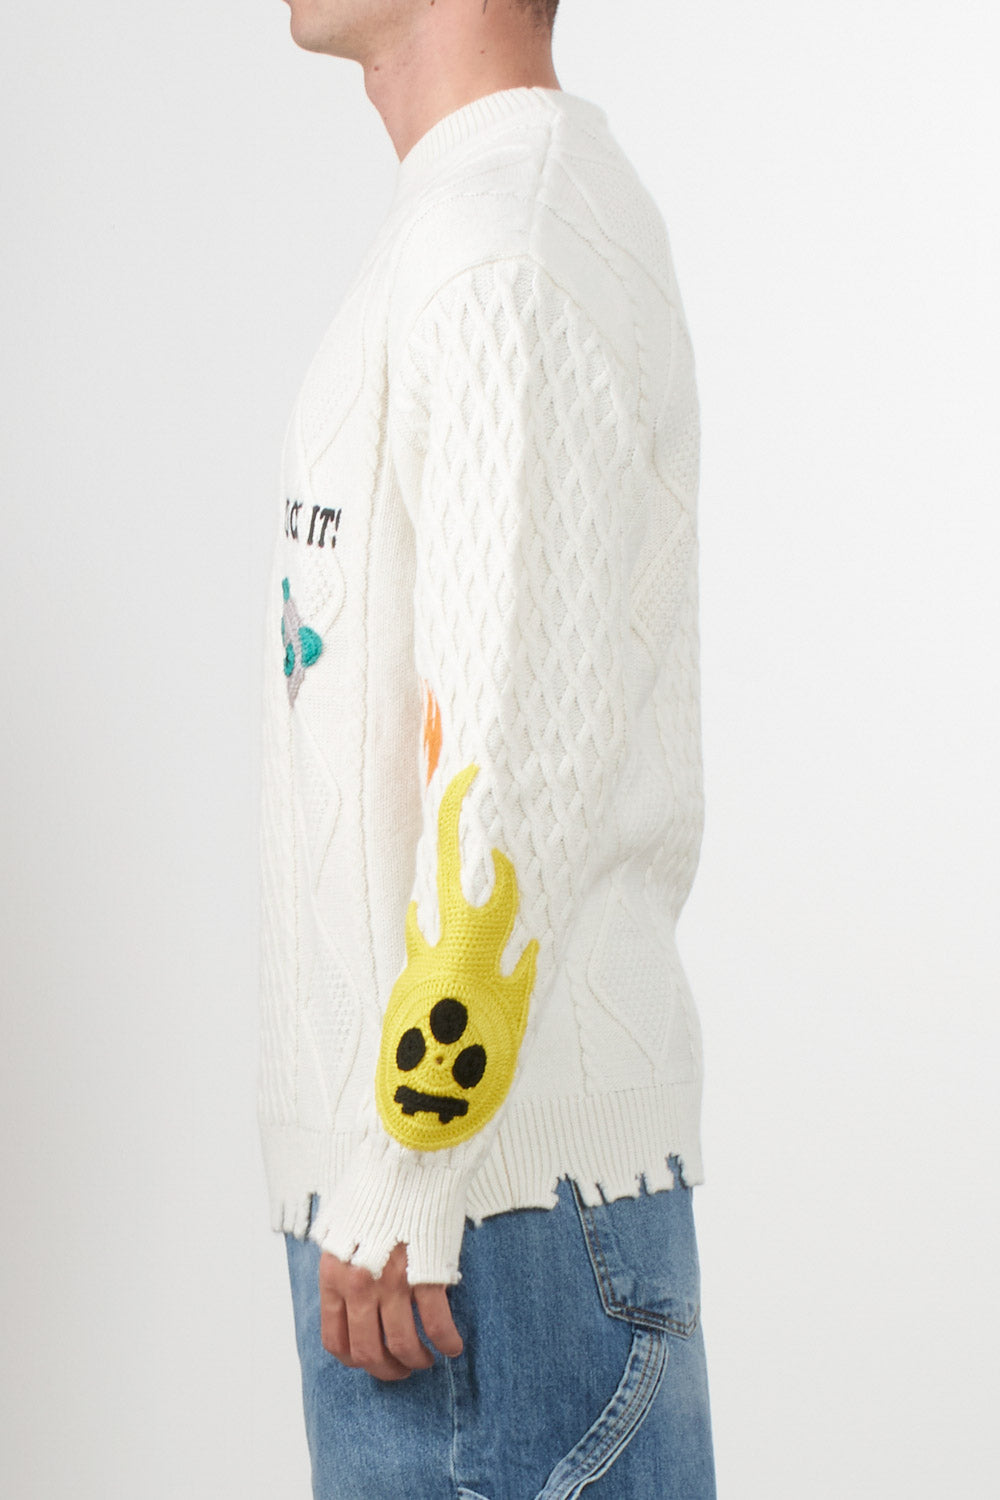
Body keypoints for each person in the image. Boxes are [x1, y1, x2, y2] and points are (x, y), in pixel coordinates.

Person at [259, 1, 717, 1494]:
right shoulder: (476, 220)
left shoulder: (500, 248)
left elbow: (512, 752)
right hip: (470, 1220)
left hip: (470, 1231)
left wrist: (408, 1163)